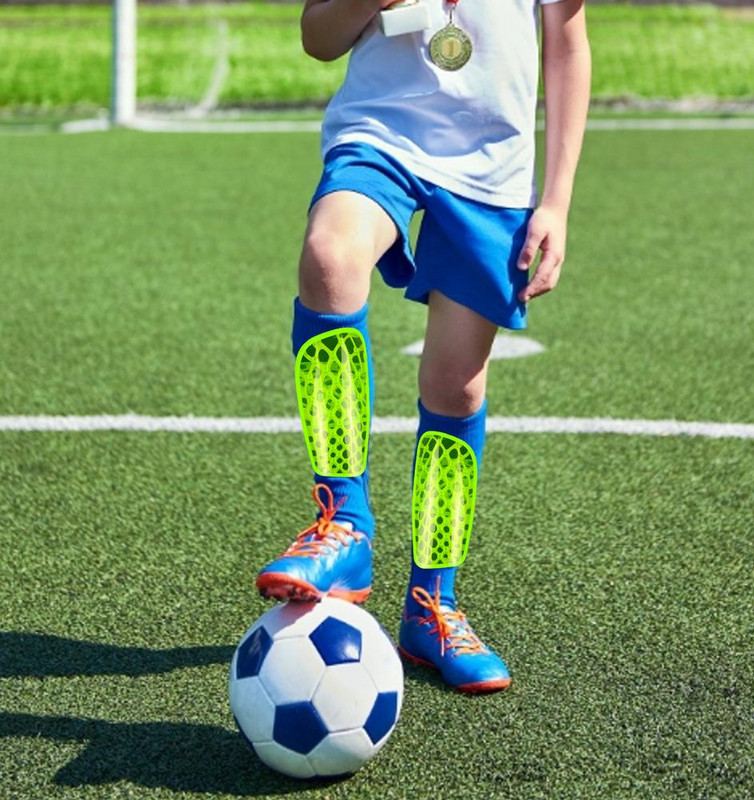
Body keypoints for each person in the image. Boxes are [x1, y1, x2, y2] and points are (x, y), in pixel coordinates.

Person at [257, 0, 591, 693]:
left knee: (456, 386)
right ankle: (342, 521)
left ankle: (431, 605)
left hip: (491, 171)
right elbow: (318, 38)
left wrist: (555, 200)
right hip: (379, 136)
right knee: (329, 258)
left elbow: (566, 48)